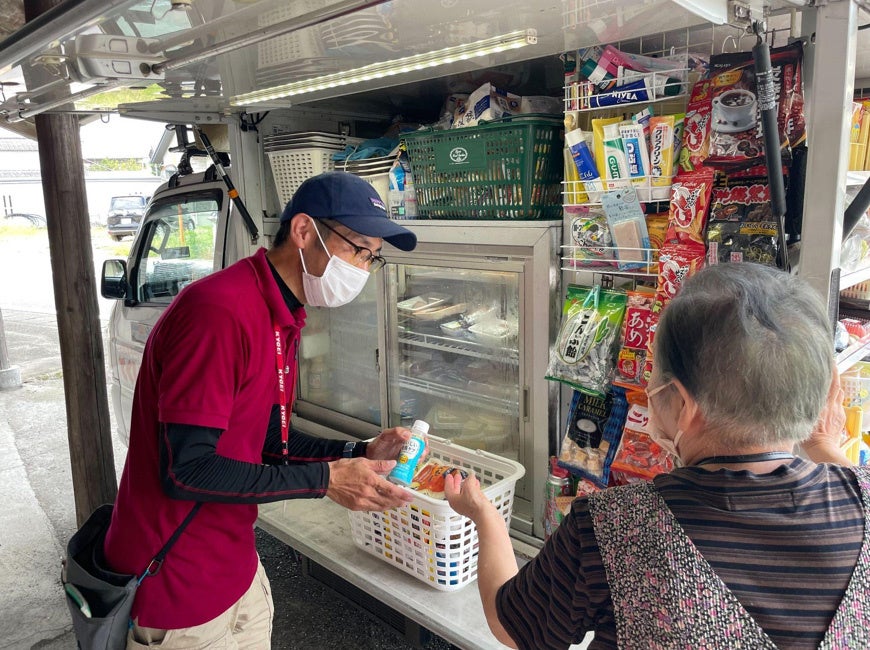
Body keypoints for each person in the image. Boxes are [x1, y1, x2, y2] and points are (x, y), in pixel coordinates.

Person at [446, 262, 870, 650]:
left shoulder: (610, 527)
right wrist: (824, 445)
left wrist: (484, 513)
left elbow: (512, 625)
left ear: (683, 406)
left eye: (655, 373)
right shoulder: (861, 496)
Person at [104, 171, 419, 648]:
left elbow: (271, 441)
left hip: (235, 566)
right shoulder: (218, 312)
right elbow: (187, 471)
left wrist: (357, 450)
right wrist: (327, 481)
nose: (363, 266)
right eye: (359, 249)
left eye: (373, 257)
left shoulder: (282, 314)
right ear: (305, 231)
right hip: (176, 584)